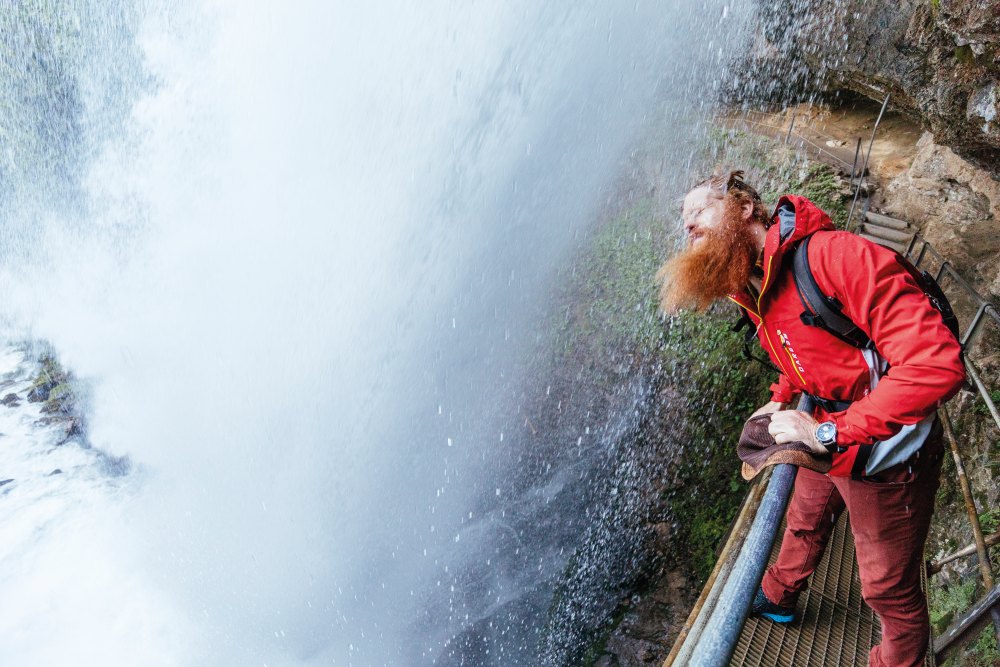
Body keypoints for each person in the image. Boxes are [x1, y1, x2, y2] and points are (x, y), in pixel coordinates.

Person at [656, 170, 966, 667]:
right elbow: (798, 346)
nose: (688, 227)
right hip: (827, 426)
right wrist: (782, 395)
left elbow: (937, 364)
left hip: (885, 451)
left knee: (888, 589)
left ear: (744, 208)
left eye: (698, 212)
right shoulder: (751, 284)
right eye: (684, 221)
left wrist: (826, 431)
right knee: (803, 517)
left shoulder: (836, 257)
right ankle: (777, 596)